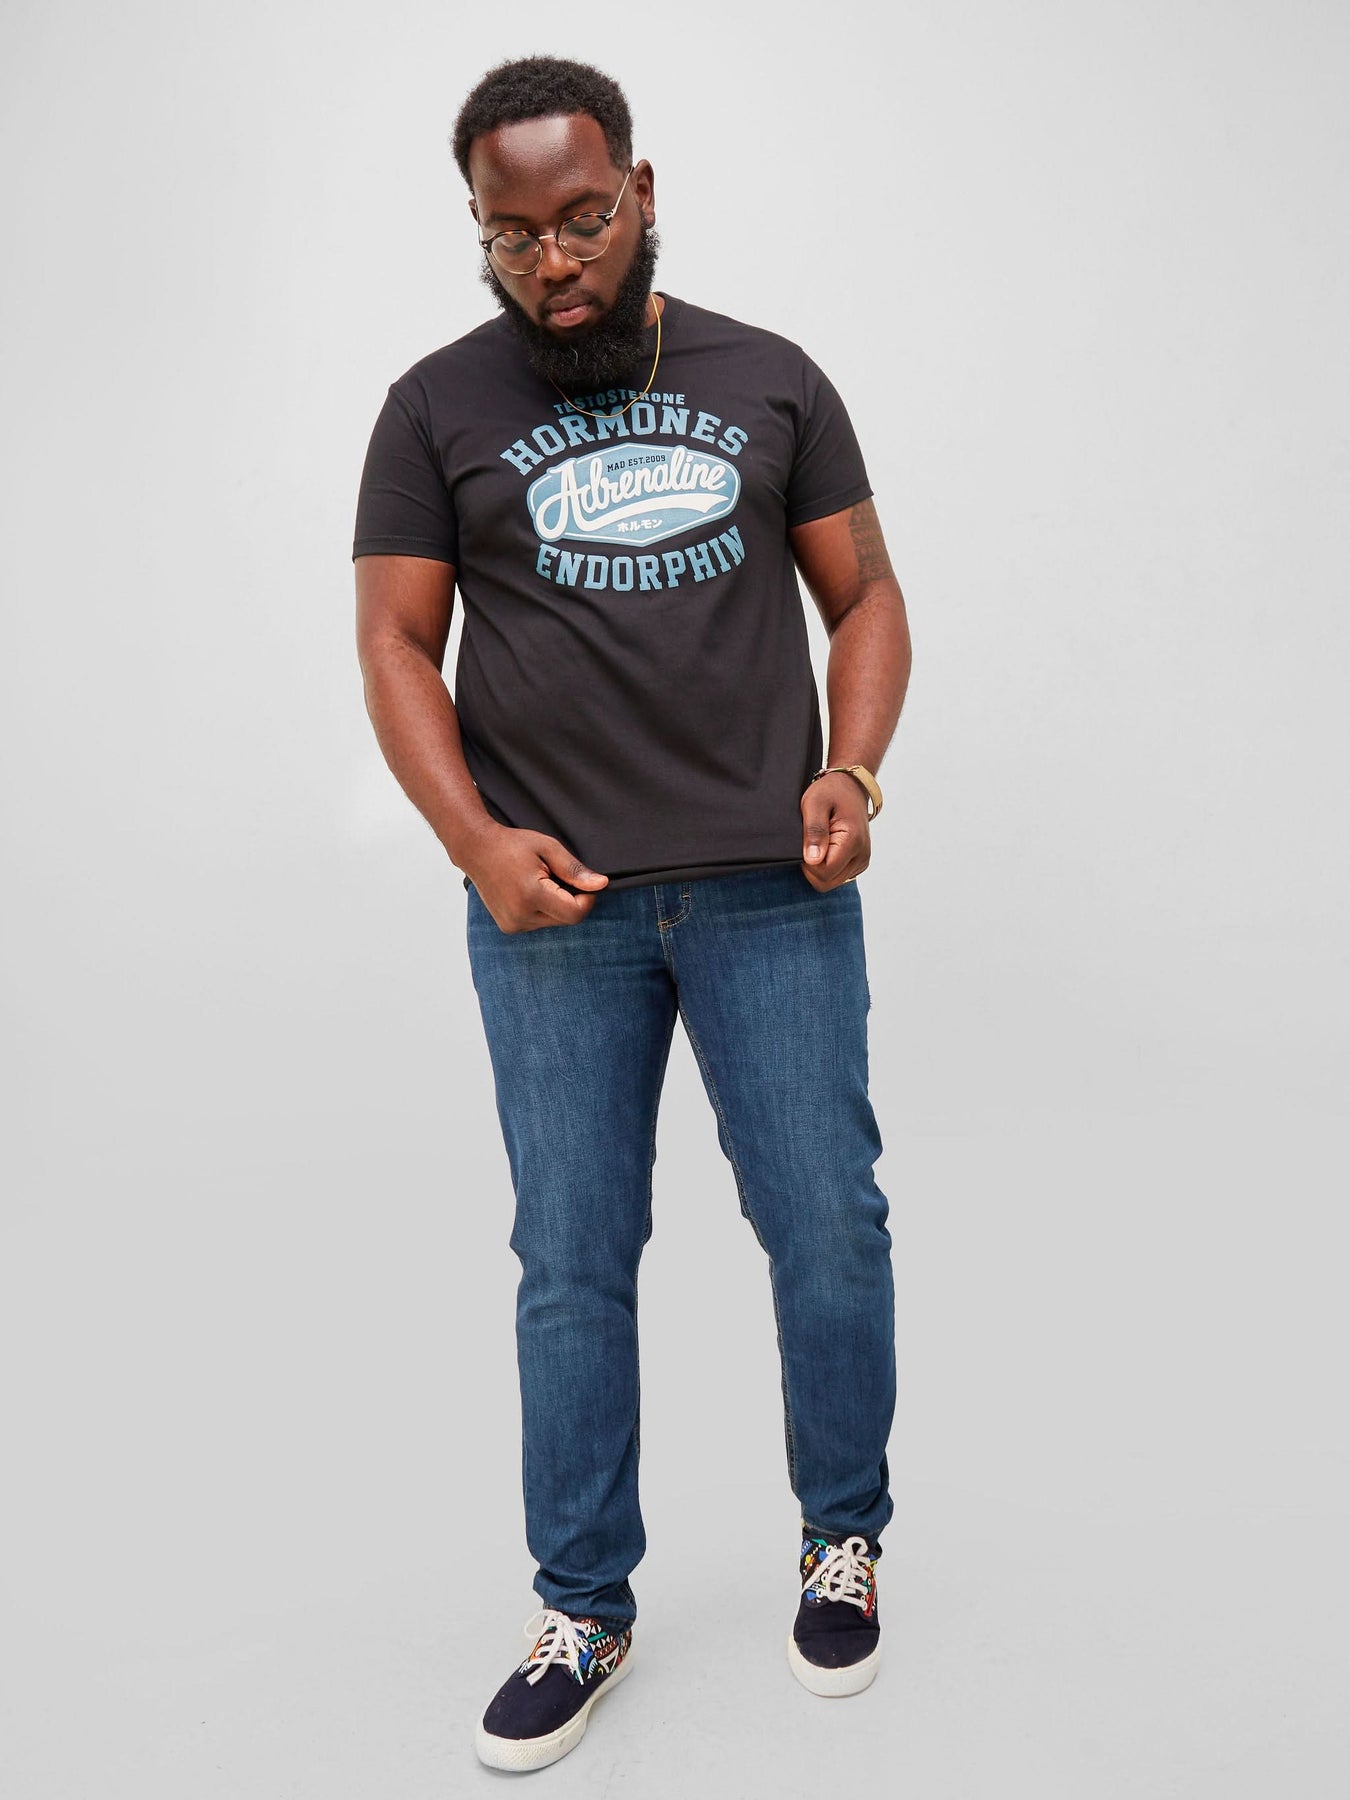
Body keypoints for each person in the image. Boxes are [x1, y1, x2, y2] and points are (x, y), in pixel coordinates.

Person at [351, 54, 913, 1774]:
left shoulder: (769, 377)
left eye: (582, 219)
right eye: (510, 233)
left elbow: (865, 595)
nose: (554, 261)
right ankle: (583, 1605)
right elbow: (395, 645)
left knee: (826, 1225)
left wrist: (852, 770)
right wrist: (475, 844)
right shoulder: (432, 408)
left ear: (641, 191)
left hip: (768, 894)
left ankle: (842, 1534)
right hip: (555, 914)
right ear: (477, 228)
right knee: (572, 1264)